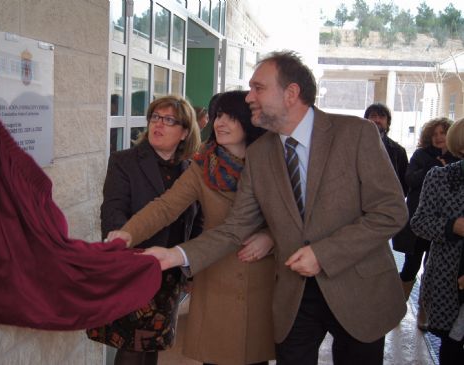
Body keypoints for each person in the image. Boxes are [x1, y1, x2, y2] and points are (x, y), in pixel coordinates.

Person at [140, 51, 408, 365]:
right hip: (294, 296)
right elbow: (235, 227)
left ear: (291, 93)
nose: (250, 96)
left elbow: (391, 211)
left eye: (258, 88)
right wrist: (175, 255)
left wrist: (323, 253)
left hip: (358, 289)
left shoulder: (356, 134)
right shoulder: (260, 153)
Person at [108, 91, 275, 365]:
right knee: (217, 354)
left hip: (259, 277)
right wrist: (129, 232)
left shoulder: (271, 164)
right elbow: (165, 206)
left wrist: (270, 237)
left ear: (249, 122)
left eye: (231, 117)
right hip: (216, 271)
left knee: (254, 357)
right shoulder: (202, 167)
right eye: (218, 115)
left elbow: (294, 216)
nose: (220, 123)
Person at [86, 95, 202, 365]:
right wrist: (127, 254)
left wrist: (192, 265)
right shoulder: (124, 161)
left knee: (153, 344)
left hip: (170, 274)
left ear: (184, 132)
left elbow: (197, 220)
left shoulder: (191, 170)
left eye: (169, 120)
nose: (158, 124)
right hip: (134, 268)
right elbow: (112, 212)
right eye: (155, 118)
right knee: (131, 345)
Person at [410, 118, 464, 364]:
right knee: (451, 345)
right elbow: (419, 222)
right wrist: (452, 226)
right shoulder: (441, 177)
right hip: (448, 278)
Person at [400, 117, 459, 330]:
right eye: (434, 134)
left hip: (444, 229)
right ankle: (397, 307)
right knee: (410, 265)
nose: (439, 137)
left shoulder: (456, 160)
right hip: (420, 220)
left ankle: (424, 311)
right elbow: (410, 180)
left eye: (443, 133)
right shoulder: (420, 156)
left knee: (430, 268)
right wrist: (434, 167)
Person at [364, 102, 408, 194]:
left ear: (388, 122)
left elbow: (404, 185)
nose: (377, 120)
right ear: (365, 120)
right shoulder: (354, 147)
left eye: (382, 117)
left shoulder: (399, 151)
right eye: (373, 116)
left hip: (388, 202)